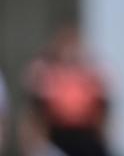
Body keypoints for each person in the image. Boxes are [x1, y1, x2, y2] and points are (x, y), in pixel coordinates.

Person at [22, 25, 112, 156]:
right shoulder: (46, 71)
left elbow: (104, 108)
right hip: (57, 135)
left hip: (86, 136)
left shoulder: (92, 72)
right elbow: (35, 111)